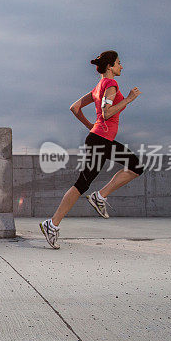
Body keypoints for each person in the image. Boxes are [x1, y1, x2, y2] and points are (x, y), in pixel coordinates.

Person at [40, 51, 144, 249]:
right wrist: (129, 99)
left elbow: (74, 107)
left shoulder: (98, 87)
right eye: (119, 63)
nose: (121, 66)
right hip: (100, 141)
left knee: (136, 167)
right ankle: (52, 224)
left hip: (100, 139)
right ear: (110, 66)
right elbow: (106, 113)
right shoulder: (111, 85)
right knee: (82, 184)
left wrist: (91, 127)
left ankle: (99, 196)